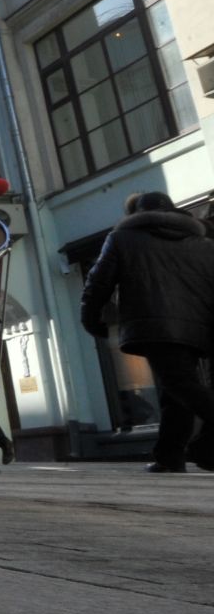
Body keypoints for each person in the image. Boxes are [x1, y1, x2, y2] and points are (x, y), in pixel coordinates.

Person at [80, 190, 214, 474]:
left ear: (135, 214)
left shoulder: (122, 238)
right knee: (176, 388)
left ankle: (172, 455)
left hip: (153, 324)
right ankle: (169, 456)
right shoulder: (203, 243)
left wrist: (91, 317)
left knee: (178, 384)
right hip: (199, 327)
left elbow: (98, 282)